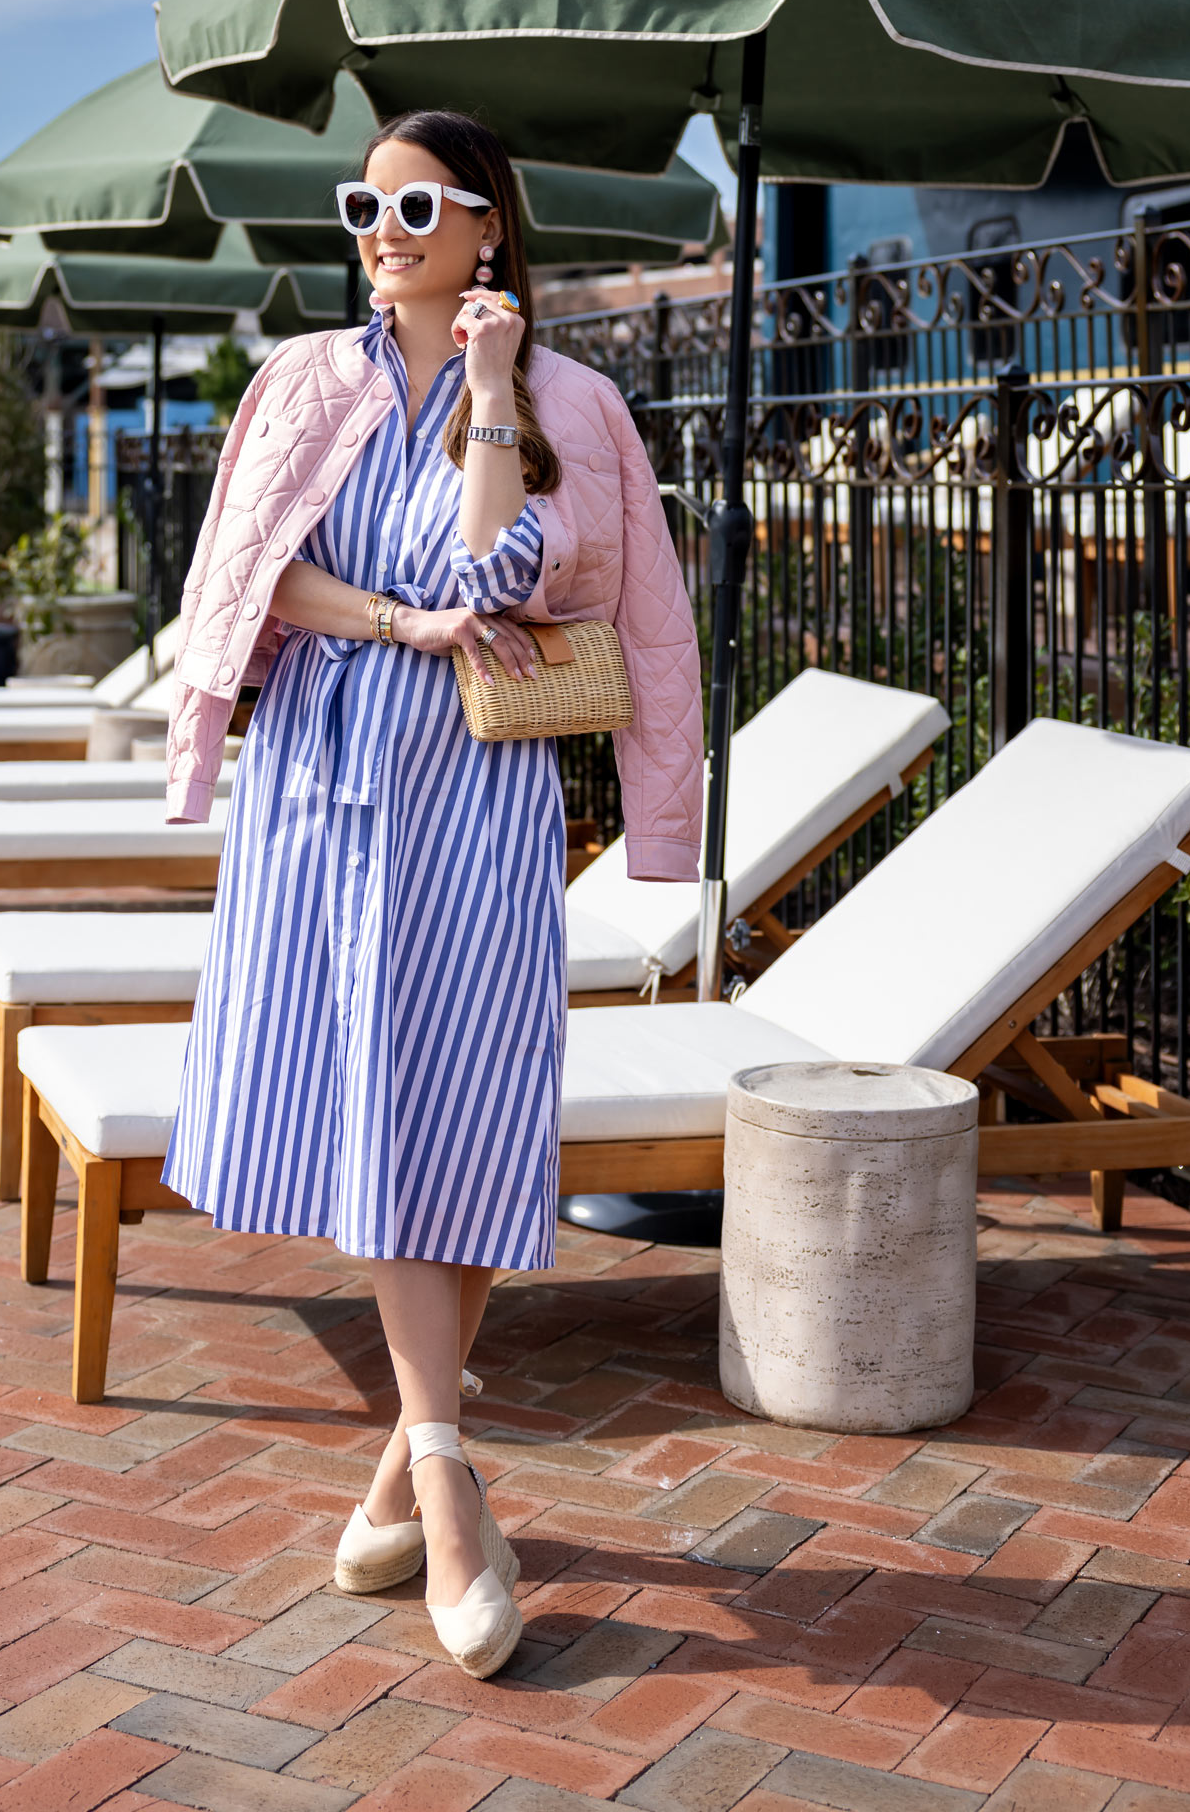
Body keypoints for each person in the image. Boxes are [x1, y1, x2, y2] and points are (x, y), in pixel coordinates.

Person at [163, 108, 702, 1678]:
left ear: (488, 230)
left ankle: (421, 1462)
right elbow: (248, 580)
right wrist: (390, 625)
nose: (383, 227)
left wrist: (483, 390)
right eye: (365, 204)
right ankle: (447, 1477)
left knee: (455, 1108)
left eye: (418, 204)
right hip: (325, 791)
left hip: (475, 799)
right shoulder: (298, 382)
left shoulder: (571, 403)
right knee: (389, 1109)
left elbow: (504, 579)